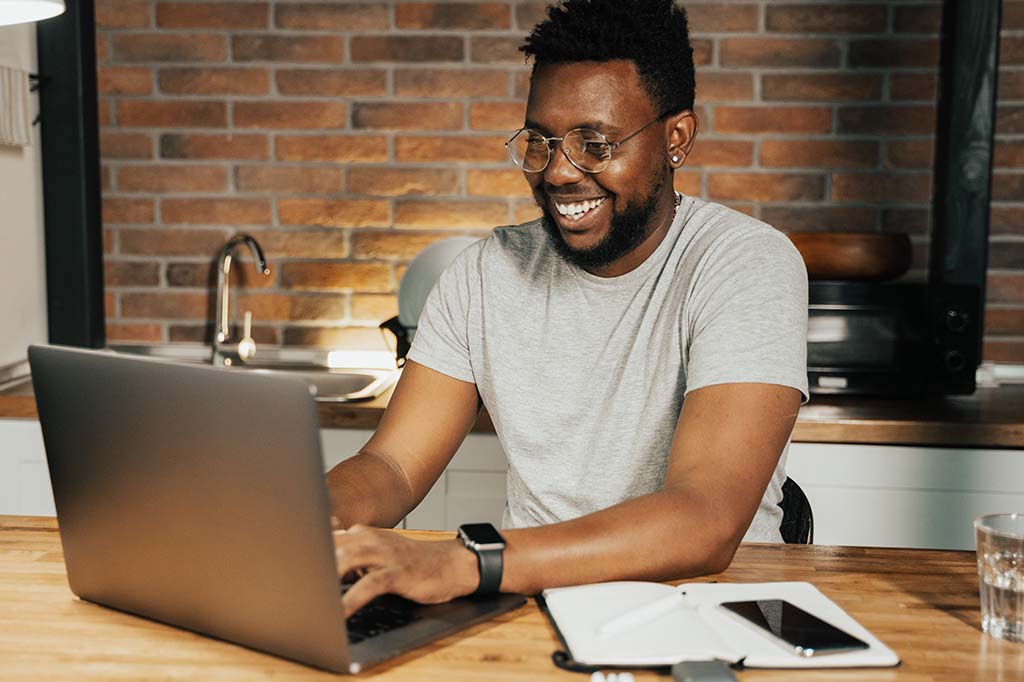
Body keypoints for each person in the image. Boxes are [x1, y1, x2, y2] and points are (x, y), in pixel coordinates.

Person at [327, 0, 808, 616]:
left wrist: (465, 561)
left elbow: (704, 520)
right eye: (542, 142)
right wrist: (306, 519)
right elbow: (391, 464)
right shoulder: (484, 273)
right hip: (524, 602)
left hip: (707, 610)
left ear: (676, 138)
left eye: (595, 145)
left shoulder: (744, 264)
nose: (558, 172)